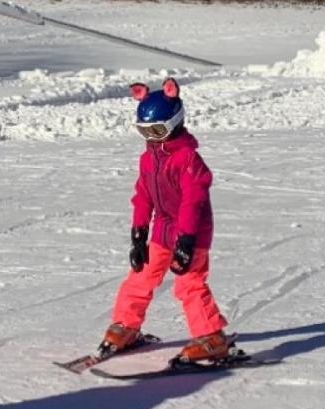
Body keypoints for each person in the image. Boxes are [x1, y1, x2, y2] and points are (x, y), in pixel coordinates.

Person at [98, 78, 236, 364]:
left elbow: (192, 202)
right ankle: (126, 326)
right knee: (140, 276)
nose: (152, 138)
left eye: (158, 130)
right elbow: (143, 196)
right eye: (145, 131)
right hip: (162, 230)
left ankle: (211, 338)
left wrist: (186, 240)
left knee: (189, 283)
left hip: (192, 231)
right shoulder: (148, 159)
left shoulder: (188, 159)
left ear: (175, 123)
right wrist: (139, 234)